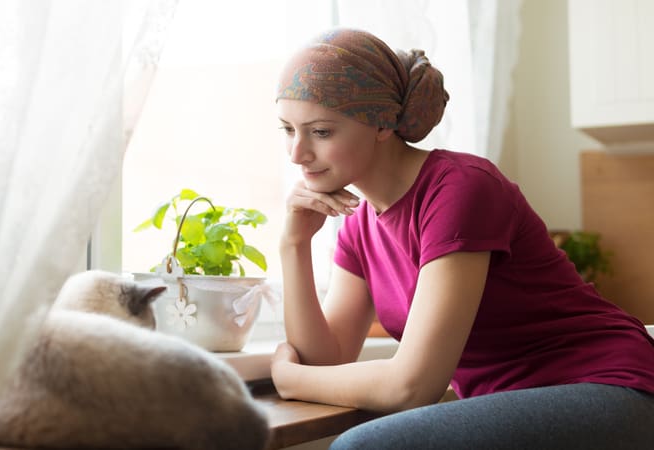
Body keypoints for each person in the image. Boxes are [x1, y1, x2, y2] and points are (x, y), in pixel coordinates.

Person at [270, 27, 654, 449]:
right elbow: (327, 359)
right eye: (288, 129)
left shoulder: (459, 188)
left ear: (382, 123)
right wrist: (294, 245)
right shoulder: (360, 224)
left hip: (611, 387)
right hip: (520, 401)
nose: (296, 153)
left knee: (363, 447)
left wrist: (292, 379)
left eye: (320, 132)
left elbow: (411, 388)